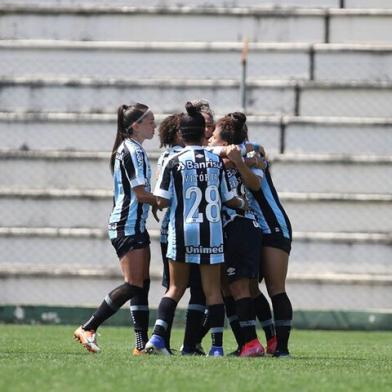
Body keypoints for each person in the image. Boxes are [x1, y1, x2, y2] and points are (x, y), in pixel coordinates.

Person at [145, 102, 247, 357]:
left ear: (182, 133)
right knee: (213, 291)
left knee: (175, 289)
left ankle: (157, 339)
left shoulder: (173, 160)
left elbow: (162, 200)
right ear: (204, 133)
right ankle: (216, 347)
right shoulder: (215, 160)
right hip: (211, 231)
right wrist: (242, 203)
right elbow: (228, 198)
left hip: (182, 230)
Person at [73, 103, 158, 354]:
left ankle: (141, 346)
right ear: (135, 126)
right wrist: (165, 200)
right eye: (150, 121)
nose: (155, 125)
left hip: (135, 224)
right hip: (126, 225)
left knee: (142, 284)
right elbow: (140, 193)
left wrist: (152, 202)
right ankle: (88, 327)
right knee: (133, 284)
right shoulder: (131, 150)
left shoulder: (135, 149)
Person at [208, 112, 265, 357]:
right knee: (228, 288)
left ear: (224, 142)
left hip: (239, 226)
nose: (208, 139)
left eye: (212, 136)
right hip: (233, 228)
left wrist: (243, 159)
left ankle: (252, 343)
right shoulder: (229, 154)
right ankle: (245, 344)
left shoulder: (242, 156)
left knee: (240, 288)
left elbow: (255, 183)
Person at [156, 113, 207, 355]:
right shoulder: (177, 157)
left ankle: (174, 343)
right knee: (184, 288)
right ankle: (175, 342)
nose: (207, 130)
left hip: (175, 230)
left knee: (179, 288)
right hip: (181, 231)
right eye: (204, 125)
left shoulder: (171, 157)